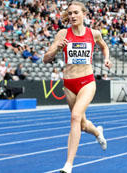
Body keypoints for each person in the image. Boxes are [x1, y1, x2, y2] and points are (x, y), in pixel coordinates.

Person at [43, 2, 112, 173]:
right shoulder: (62, 34)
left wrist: (106, 59)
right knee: (81, 124)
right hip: (69, 83)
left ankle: (68, 165)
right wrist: (56, 49)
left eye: (76, 13)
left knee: (74, 117)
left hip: (87, 81)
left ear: (83, 14)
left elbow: (104, 46)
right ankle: (97, 132)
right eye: (70, 13)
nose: (72, 16)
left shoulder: (93, 33)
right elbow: (46, 58)